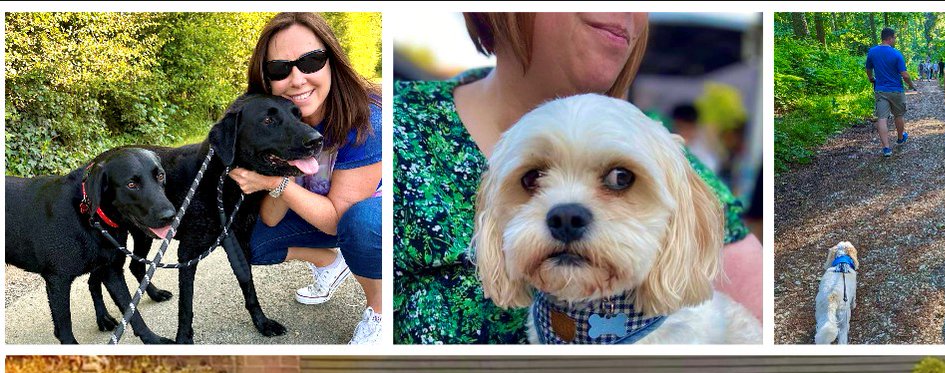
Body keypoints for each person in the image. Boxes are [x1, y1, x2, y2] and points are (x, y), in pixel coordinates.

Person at [393, 11, 762, 344]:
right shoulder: (395, 125)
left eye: (619, 179)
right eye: (533, 180)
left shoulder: (660, 146)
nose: (566, 213)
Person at [229, 12, 383, 345]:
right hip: (321, 209)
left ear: (332, 61)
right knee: (248, 241)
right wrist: (282, 163)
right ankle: (330, 261)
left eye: (311, 61)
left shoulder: (368, 120)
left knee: (362, 223)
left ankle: (379, 310)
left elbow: (335, 221)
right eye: (280, 69)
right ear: (266, 79)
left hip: (374, 218)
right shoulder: (277, 129)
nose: (297, 79)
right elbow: (270, 218)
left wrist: (273, 183)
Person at [865, 26, 916, 157]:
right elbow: (904, 75)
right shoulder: (896, 54)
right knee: (898, 115)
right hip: (896, 90)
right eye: (894, 38)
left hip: (880, 90)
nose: (895, 40)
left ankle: (886, 148)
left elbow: (868, 69)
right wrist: (911, 85)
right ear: (889, 38)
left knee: (882, 118)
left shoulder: (872, 52)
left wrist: (871, 78)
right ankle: (900, 138)